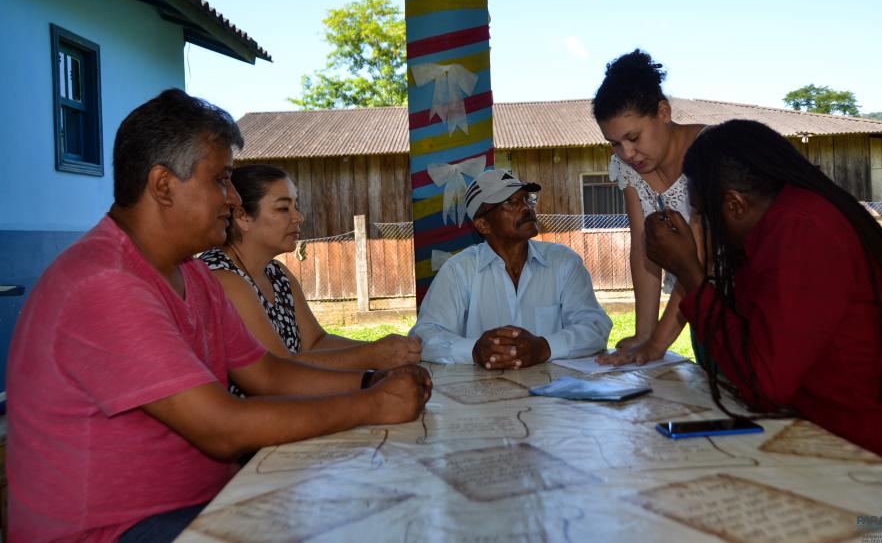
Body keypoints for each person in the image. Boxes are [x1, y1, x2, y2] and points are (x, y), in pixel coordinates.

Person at [6, 89, 432, 543]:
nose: (232, 198)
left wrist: (373, 382)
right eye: (221, 180)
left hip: (203, 501)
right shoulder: (104, 282)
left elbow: (267, 373)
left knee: (377, 501)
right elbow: (221, 428)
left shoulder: (192, 271)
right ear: (163, 185)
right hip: (115, 531)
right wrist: (370, 405)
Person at [644, 119, 882, 470]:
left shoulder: (799, 228)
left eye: (704, 213)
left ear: (735, 205)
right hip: (822, 438)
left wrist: (691, 275)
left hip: (872, 460)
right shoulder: (782, 222)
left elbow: (764, 384)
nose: (703, 224)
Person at [199, 164, 421, 372]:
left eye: (296, 206)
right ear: (242, 217)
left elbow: (316, 342)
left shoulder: (278, 274)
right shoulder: (222, 278)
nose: (298, 217)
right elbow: (278, 370)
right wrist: (372, 356)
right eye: (283, 208)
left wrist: (384, 350)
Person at [410, 169, 612, 369]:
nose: (526, 208)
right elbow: (424, 336)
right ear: (483, 225)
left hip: (553, 395)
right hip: (483, 395)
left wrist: (544, 347)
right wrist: (474, 351)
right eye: (510, 202)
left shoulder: (564, 261)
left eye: (527, 200)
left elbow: (595, 326)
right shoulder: (459, 270)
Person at [591, 49, 706, 366]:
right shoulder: (631, 169)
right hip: (703, 307)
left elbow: (697, 259)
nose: (627, 153)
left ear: (664, 113)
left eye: (633, 137)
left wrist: (657, 344)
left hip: (754, 304)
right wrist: (645, 333)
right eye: (615, 143)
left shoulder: (707, 151)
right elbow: (643, 247)